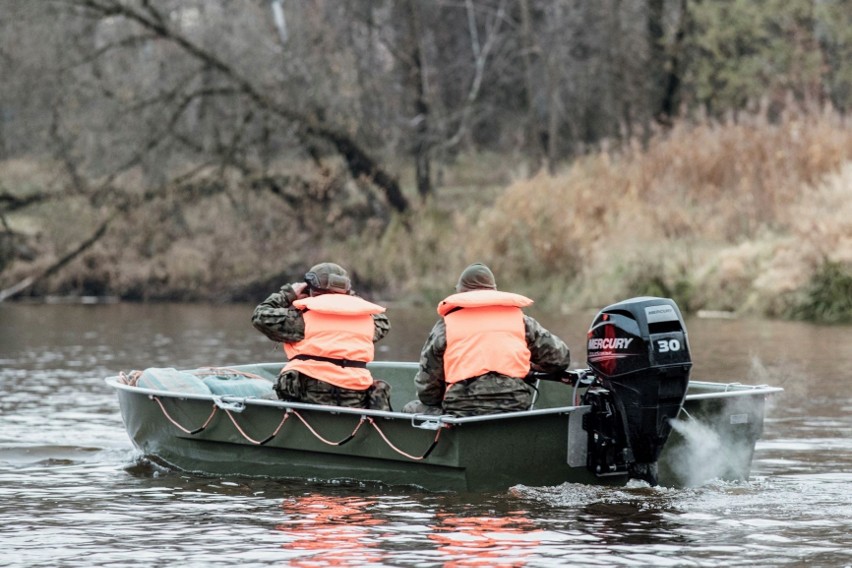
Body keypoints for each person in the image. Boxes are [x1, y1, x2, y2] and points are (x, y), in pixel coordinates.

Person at [403, 263, 571, 417]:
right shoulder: (522, 321)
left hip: (462, 412)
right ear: (494, 291)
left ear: (460, 292)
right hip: (515, 407)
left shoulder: (445, 327)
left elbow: (427, 391)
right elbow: (560, 359)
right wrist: (528, 367)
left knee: (411, 409)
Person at [251, 262, 392, 410]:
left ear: (311, 289)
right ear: (347, 290)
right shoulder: (371, 321)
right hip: (356, 398)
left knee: (267, 400)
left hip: (308, 396)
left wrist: (288, 294)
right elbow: (382, 321)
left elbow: (260, 316)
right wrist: (350, 297)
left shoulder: (299, 320)